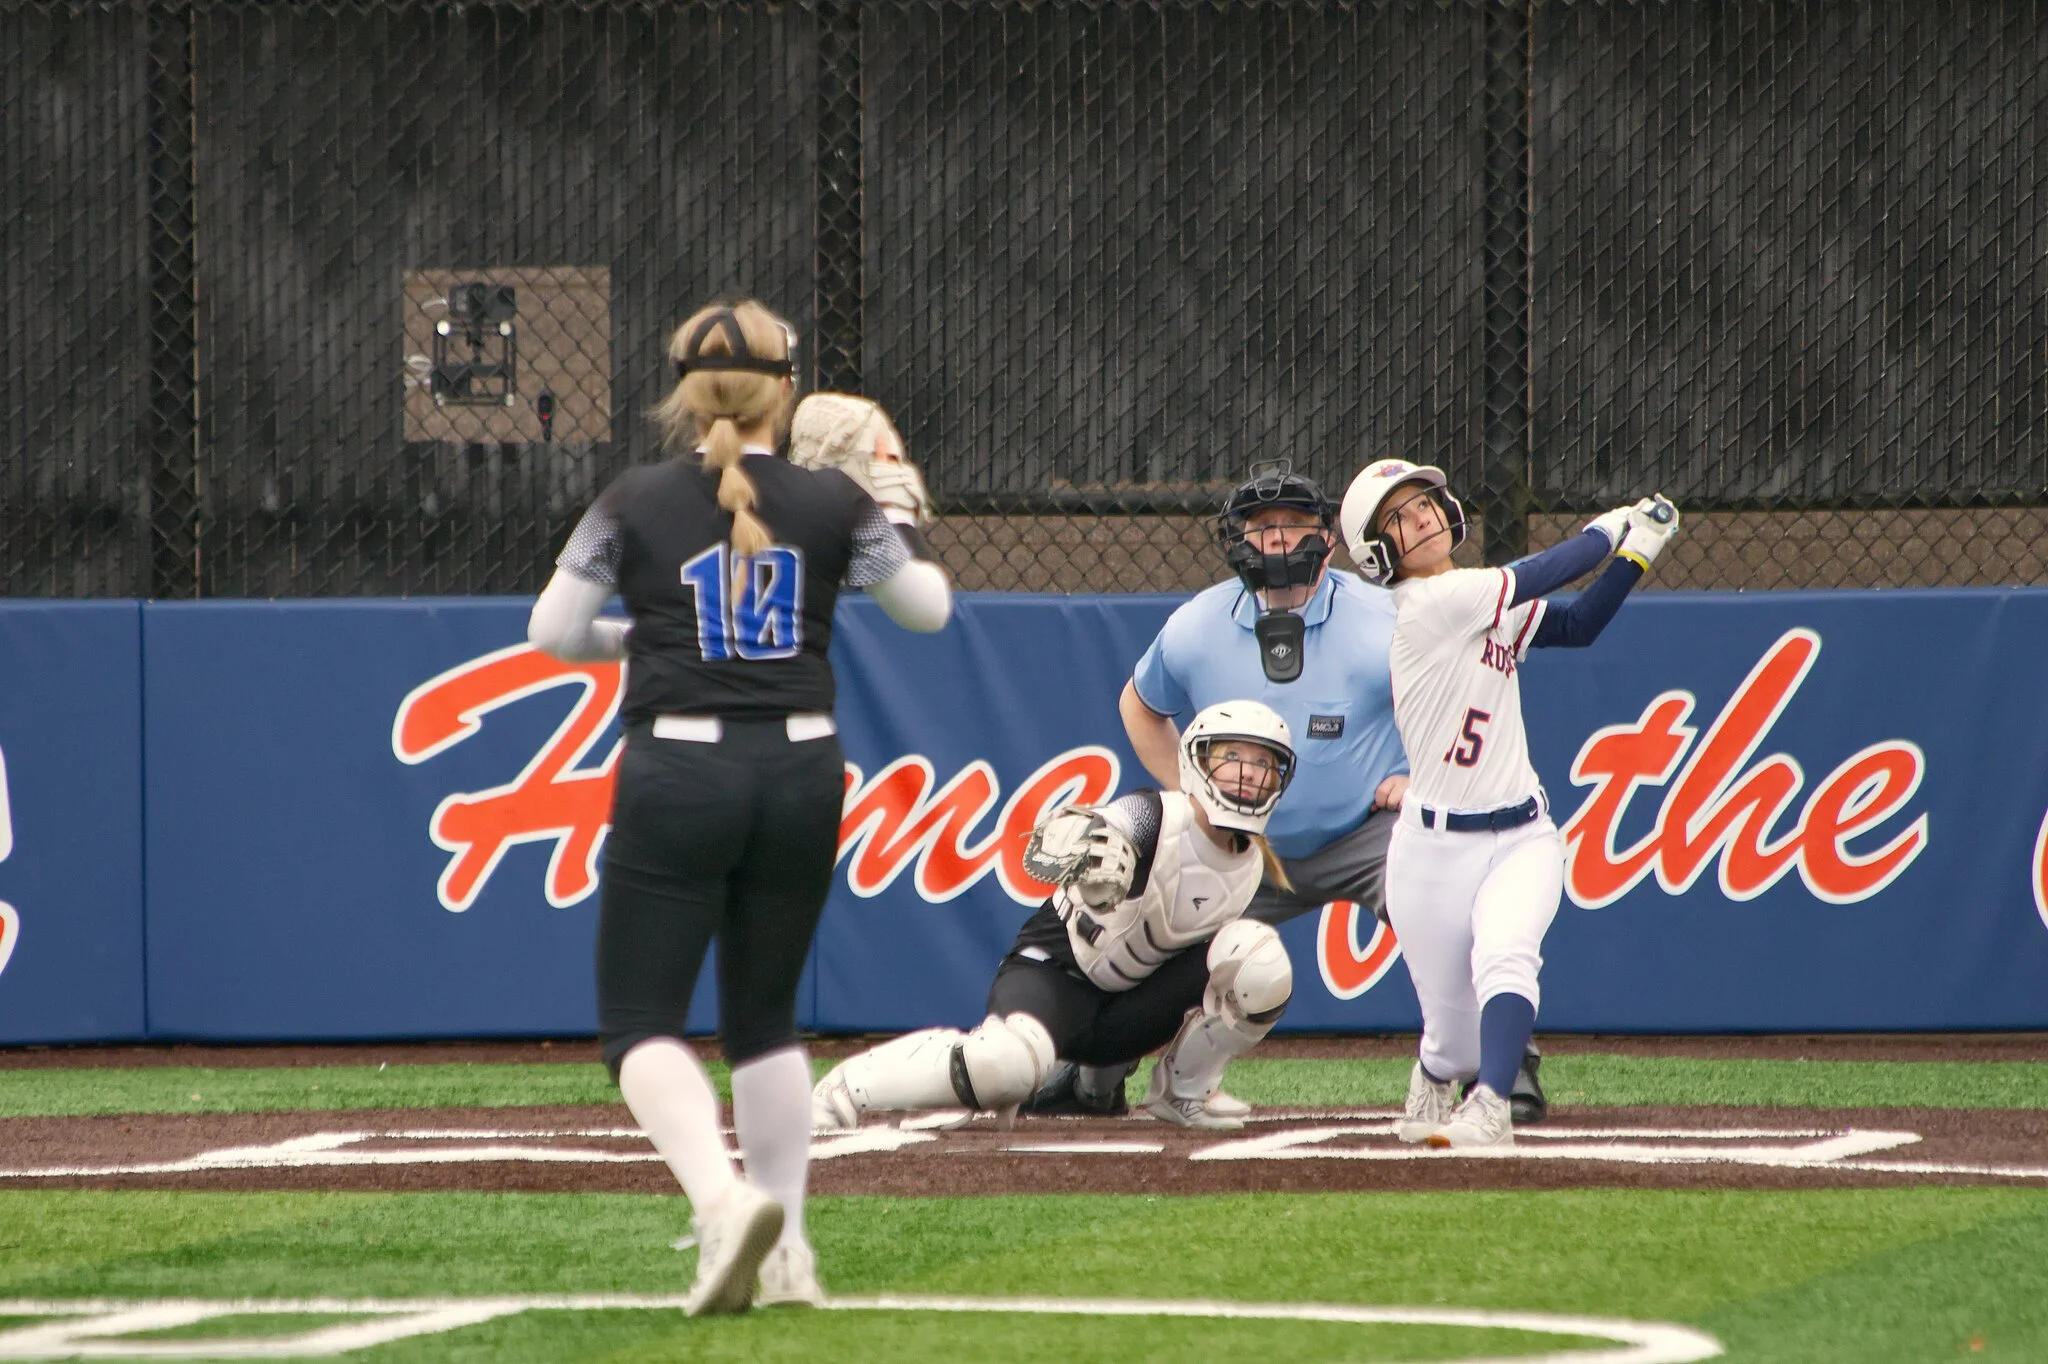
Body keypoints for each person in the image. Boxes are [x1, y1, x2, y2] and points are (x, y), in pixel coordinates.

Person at [526, 300, 951, 1315]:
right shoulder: (833, 500)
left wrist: (642, 640)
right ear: (785, 388)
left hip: (678, 767)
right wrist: (889, 514)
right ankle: (788, 1247)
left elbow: (551, 631)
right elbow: (927, 610)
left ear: (681, 388)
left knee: (638, 1023)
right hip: (801, 769)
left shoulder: (630, 495)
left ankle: (721, 1202)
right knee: (763, 1023)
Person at [1029, 463, 1546, 1123]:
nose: (1276, 541)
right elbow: (1139, 704)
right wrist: (1188, 794)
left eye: (1293, 525)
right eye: (1261, 527)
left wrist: (1424, 776)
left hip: (1368, 830)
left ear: (1327, 538)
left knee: (1457, 907)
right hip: (1245, 844)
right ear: (1236, 538)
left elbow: (1466, 687)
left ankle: (1504, 1071)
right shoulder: (1198, 624)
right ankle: (1093, 1074)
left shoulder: (1386, 610)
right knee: (1146, 924)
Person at [1337, 458, 1681, 1148]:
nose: (1425, 516)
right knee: (1451, 1041)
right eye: (1400, 516)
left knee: (1508, 955)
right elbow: (1548, 571)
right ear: (1377, 551)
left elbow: (1578, 623)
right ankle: (1440, 1075)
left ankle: (1491, 1101)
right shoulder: (1432, 602)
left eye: (1426, 502)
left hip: (1522, 835)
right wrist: (1613, 528)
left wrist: (1639, 553)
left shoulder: (1473, 596)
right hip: (1431, 849)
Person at [811, 702, 1299, 1133]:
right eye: (1231, 757)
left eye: (1262, 763)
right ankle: (845, 1088)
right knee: (1005, 1065)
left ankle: (1182, 1093)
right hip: (1057, 975)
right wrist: (1094, 846)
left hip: (1124, 1018)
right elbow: (1115, 822)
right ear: (1197, 761)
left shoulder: (1251, 865)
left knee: (1259, 958)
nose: (1247, 773)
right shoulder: (1158, 815)